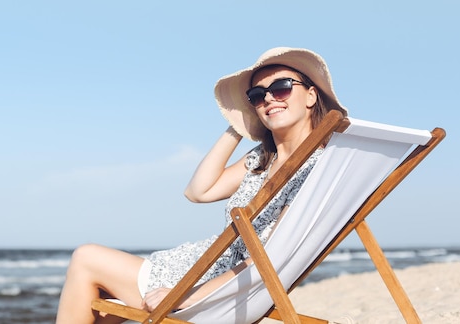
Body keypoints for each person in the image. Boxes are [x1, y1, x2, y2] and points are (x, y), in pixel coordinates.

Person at [55, 47, 348, 324]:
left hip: (224, 286)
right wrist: (239, 124)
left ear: (311, 96)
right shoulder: (262, 158)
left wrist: (185, 294)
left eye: (282, 87)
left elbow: (272, 257)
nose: (269, 98)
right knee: (98, 297)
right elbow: (198, 191)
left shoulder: (315, 169)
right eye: (257, 95)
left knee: (86, 258)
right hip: (198, 269)